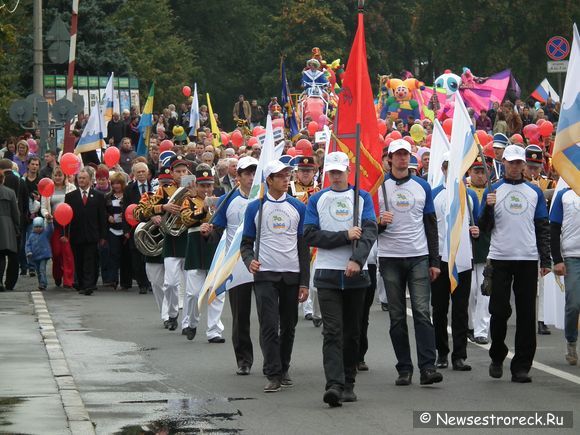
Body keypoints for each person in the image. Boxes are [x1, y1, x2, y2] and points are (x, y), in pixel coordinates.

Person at [304, 151, 378, 407]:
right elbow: (310, 235)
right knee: (332, 331)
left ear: (349, 171)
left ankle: (349, 381)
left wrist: (357, 259)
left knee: (352, 332)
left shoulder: (363, 197)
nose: (335, 177)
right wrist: (344, 236)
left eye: (340, 172)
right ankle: (333, 385)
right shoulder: (317, 200)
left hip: (357, 275)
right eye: (331, 172)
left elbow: (369, 231)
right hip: (327, 275)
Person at [479, 145, 551, 383]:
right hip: (500, 257)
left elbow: (542, 226)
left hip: (528, 259)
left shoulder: (534, 192)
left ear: (523, 165)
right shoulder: (493, 190)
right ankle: (497, 355)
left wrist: (545, 259)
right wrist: (488, 209)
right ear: (505, 164)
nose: (515, 166)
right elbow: (483, 229)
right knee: (499, 311)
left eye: (519, 163)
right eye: (510, 162)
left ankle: (521, 365)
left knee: (526, 314)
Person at [377, 139, 442, 386]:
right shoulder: (379, 186)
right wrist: (381, 223)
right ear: (390, 159)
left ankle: (428, 367)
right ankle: (404, 368)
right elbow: (367, 225)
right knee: (396, 317)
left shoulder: (422, 186)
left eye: (406, 154)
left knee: (423, 313)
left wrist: (434, 261)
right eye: (398, 155)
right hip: (390, 257)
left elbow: (431, 224)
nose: (403, 159)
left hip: (418, 256)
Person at [240, 160, 309, 393]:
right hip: (265, 275)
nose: (286, 179)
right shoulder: (255, 208)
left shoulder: (298, 207)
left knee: (289, 326)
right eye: (280, 176)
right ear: (269, 180)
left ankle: (284, 366)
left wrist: (304, 282)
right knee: (269, 324)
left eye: (288, 175)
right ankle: (273, 372)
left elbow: (303, 247)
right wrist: (249, 261)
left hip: (291, 273)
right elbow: (246, 244)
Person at [208, 156, 258, 374]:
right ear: (237, 177)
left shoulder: (267, 197)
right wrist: (207, 232)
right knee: (240, 315)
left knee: (269, 315)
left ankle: (275, 361)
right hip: (237, 265)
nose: (251, 177)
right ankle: (244, 360)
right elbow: (216, 229)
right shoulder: (227, 200)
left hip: (264, 262)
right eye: (247, 173)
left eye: (254, 173)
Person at [431, 155, 480, 371]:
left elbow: (478, 223)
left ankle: (459, 355)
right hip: (440, 259)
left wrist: (476, 232)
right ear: (442, 169)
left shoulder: (469, 195)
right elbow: (429, 229)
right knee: (439, 308)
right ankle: (441, 352)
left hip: (462, 259)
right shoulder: (434, 195)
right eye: (447, 167)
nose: (451, 171)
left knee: (461, 309)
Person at [141, 156, 192, 330]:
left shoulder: (195, 188)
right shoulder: (164, 190)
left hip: (189, 238)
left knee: (189, 288)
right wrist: (163, 208)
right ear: (171, 173)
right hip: (171, 240)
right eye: (177, 171)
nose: (181, 174)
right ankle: (172, 313)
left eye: (184, 171)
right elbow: (143, 210)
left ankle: (187, 323)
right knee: (170, 283)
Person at [180, 165, 224, 343]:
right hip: (196, 246)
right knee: (193, 293)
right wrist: (203, 211)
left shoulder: (220, 200)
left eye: (209, 185)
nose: (206, 189)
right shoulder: (188, 200)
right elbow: (186, 219)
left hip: (215, 245)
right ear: (196, 185)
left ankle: (214, 331)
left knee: (217, 292)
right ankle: (191, 322)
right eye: (203, 186)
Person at [523, 144, 555, 335]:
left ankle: (541, 319)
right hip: (524, 236)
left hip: (542, 235)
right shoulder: (519, 183)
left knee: (543, 279)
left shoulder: (549, 184)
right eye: (530, 166)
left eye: (536, 166)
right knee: (526, 282)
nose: (533, 170)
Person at [288, 155, 322, 326]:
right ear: (297, 172)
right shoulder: (289, 188)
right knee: (296, 274)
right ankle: (298, 308)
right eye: (302, 171)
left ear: (313, 171)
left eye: (309, 171)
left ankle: (313, 311)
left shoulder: (320, 189)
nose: (306, 174)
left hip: (314, 237)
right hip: (294, 237)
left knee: (314, 276)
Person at [64, 168, 107, 296]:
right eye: (80, 178)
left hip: (92, 235)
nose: (81, 180)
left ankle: (88, 285)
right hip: (76, 235)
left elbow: (102, 217)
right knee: (79, 260)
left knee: (89, 260)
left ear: (90, 180)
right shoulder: (70, 196)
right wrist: (66, 234)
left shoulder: (98, 196)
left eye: (84, 178)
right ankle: (81, 284)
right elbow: (67, 217)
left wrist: (103, 235)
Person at [550, 187, 580, 365]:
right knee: (574, 303)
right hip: (572, 257)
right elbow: (554, 228)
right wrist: (557, 259)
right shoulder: (564, 195)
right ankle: (571, 341)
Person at [467, 157, 492, 345]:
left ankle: (481, 330)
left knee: (484, 291)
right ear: (470, 173)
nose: (480, 175)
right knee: (470, 291)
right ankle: (469, 324)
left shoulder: (494, 192)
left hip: (487, 247)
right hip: (468, 248)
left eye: (483, 171)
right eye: (477, 171)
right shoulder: (464, 193)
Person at [40, 166, 76, 288]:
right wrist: (46, 214)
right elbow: (43, 207)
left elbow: (75, 205)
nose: (58, 177)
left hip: (68, 224)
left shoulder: (71, 187)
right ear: (52, 176)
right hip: (53, 224)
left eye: (60, 175)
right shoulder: (48, 189)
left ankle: (68, 280)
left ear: (64, 176)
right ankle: (57, 275)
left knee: (68, 252)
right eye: (56, 175)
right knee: (56, 252)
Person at [123, 162, 153, 294]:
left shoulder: (155, 187)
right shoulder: (129, 189)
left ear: (147, 173)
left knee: (150, 256)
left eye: (143, 172)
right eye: (138, 172)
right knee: (136, 257)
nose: (141, 174)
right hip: (134, 227)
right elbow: (125, 210)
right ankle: (142, 284)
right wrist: (126, 230)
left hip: (152, 227)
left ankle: (151, 282)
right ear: (134, 174)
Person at [0, 159, 27, 290]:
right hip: (12, 225)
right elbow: (21, 206)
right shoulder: (20, 182)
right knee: (13, 255)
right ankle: (10, 283)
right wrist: (19, 224)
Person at [103, 172, 132, 290]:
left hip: (125, 229)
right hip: (112, 230)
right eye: (114, 183)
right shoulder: (107, 196)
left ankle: (126, 282)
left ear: (122, 184)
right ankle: (113, 280)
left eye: (118, 183)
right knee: (113, 255)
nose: (116, 186)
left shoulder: (128, 195)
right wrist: (108, 217)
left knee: (126, 256)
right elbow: (103, 211)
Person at [0, 168, 20, 292]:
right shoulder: (10, 192)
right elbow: (15, 212)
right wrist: (17, 226)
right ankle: (9, 283)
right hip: (6, 226)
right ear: (3, 179)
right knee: (10, 255)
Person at [25, 217, 53, 291]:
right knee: (38, 271)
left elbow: (50, 230)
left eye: (40, 227)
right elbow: (28, 245)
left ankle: (43, 284)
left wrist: (50, 222)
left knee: (42, 269)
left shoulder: (45, 233)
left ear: (43, 227)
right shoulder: (31, 236)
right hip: (35, 256)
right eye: (36, 227)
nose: (38, 228)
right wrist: (28, 251)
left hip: (44, 255)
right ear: (33, 227)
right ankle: (41, 283)